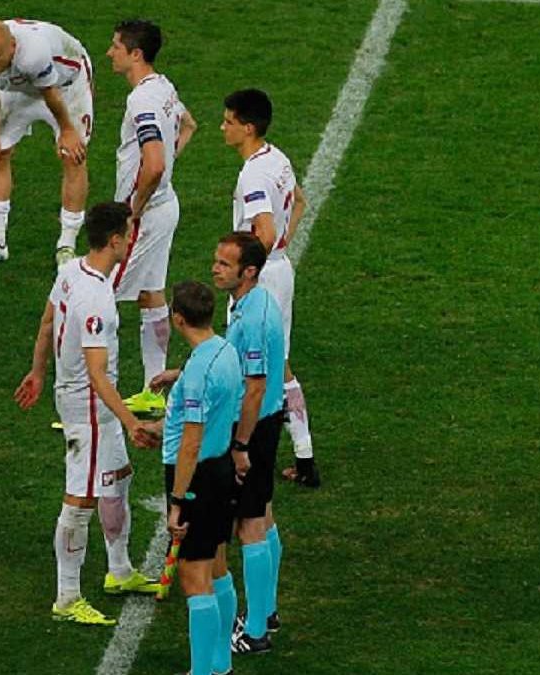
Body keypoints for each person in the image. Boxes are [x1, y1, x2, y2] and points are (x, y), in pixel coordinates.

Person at [13, 202, 159, 626]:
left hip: (79, 397)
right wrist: (132, 421)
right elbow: (97, 374)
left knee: (118, 477)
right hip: (89, 407)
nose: (131, 238)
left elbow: (46, 323)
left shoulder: (70, 271)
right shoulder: (96, 297)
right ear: (114, 240)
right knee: (81, 498)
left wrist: (38, 371)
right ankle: (67, 597)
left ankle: (120, 571)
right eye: (128, 232)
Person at [141, 281, 242, 675]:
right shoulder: (225, 351)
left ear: (178, 318)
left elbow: (191, 442)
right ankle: (221, 665)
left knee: (194, 576)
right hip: (222, 469)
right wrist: (162, 423)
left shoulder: (198, 373)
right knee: (218, 566)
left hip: (196, 478)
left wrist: (177, 502)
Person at [220, 88, 320, 487]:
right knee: (279, 363)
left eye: (229, 121)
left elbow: (263, 230)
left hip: (261, 280)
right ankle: (304, 456)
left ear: (248, 127)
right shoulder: (277, 158)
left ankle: (240, 451)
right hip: (280, 270)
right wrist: (282, 244)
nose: (222, 128)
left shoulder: (254, 175)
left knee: (248, 368)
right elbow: (300, 202)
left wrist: (246, 275)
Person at [105, 19, 198, 415]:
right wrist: (164, 171)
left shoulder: (141, 100)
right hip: (165, 206)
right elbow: (188, 125)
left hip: (144, 215)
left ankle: (97, 395)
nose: (109, 52)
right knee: (150, 294)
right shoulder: (163, 87)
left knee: (99, 296)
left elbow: (154, 164)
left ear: (135, 54)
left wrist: (134, 210)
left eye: (116, 46)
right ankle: (153, 391)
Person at [0, 18, 94, 268]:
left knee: (72, 155)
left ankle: (66, 246)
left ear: (12, 46)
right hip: (19, 84)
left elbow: (50, 93)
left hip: (65, 85)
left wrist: (67, 130)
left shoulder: (33, 53)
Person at [212, 233, 287, 651]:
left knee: (250, 526)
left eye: (225, 264)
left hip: (253, 427)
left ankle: (256, 631)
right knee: (264, 514)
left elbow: (254, 387)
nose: (216, 269)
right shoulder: (250, 303)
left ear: (249, 272)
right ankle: (267, 610)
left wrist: (240, 446)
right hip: (264, 422)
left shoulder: (254, 318)